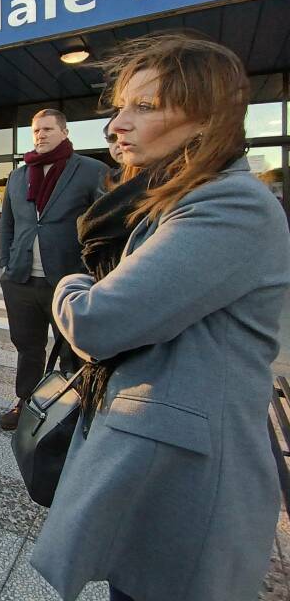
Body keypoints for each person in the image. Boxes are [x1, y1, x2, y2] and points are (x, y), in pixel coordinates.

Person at [31, 34, 290, 601]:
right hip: (159, 459)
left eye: (143, 107)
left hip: (190, 478)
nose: (116, 124)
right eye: (121, 106)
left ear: (206, 119)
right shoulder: (175, 200)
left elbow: (95, 323)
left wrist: (72, 281)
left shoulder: (231, 204)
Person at [0, 109, 108, 430]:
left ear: (64, 131)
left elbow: (104, 225)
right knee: (27, 347)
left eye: (47, 129)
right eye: (36, 131)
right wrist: (6, 261)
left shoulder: (90, 170)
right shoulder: (19, 175)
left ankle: (72, 410)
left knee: (73, 351)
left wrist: (93, 271)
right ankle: (25, 403)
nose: (41, 135)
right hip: (21, 279)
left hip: (68, 280)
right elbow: (7, 225)